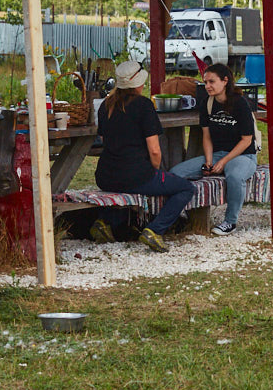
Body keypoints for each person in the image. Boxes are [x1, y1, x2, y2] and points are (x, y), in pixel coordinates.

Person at [94, 60, 194, 252]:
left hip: (105, 175)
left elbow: (104, 139)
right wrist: (154, 171)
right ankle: (155, 229)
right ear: (139, 82)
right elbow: (155, 150)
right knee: (186, 188)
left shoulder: (106, 105)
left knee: (129, 187)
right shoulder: (144, 105)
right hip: (135, 174)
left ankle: (106, 222)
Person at [171, 63, 258, 236]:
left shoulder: (239, 103)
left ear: (225, 81)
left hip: (243, 155)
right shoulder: (207, 104)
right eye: (205, 82)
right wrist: (209, 161)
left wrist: (224, 162)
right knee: (175, 172)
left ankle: (230, 222)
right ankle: (177, 216)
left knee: (234, 176)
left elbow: (246, 140)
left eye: (212, 82)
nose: (207, 86)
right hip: (218, 154)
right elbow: (207, 136)